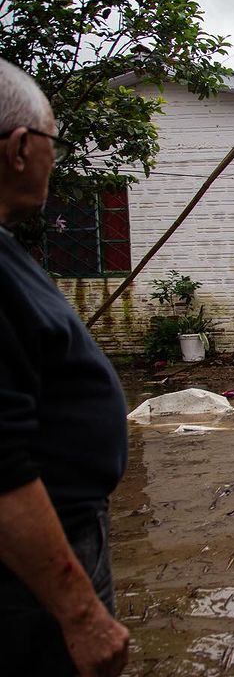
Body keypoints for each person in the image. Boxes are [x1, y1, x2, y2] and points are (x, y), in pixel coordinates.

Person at [0, 58, 130, 674]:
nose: (56, 157)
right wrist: (80, 613)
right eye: (55, 142)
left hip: (60, 541)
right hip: (32, 574)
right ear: (21, 148)